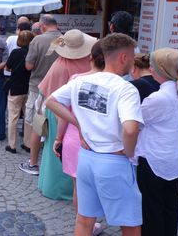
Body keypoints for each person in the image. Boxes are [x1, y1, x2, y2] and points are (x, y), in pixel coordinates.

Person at [46, 33, 143, 235]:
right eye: (133, 56)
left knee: (84, 220)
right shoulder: (126, 89)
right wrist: (129, 151)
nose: (134, 60)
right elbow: (131, 128)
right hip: (113, 160)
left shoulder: (81, 81)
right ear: (124, 58)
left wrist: (78, 123)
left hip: (87, 158)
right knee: (130, 225)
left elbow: (51, 101)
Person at [136, 48, 178, 236]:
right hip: (172, 157)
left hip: (153, 159)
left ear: (162, 70)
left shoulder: (159, 98)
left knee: (151, 209)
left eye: (153, 65)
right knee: (169, 204)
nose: (149, 68)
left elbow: (136, 122)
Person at [36, 30, 96, 201]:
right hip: (69, 112)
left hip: (59, 109)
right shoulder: (82, 64)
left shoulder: (60, 63)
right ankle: (63, 188)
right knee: (65, 151)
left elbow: (46, 91)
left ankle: (51, 186)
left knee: (56, 150)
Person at [53, 41, 105, 235]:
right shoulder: (117, 83)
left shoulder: (76, 79)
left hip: (76, 138)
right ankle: (90, 223)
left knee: (79, 185)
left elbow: (61, 109)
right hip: (102, 141)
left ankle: (83, 225)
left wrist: (59, 138)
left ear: (90, 58)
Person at [20, 14, 62, 173]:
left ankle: (33, 163)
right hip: (60, 90)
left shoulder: (37, 40)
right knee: (55, 127)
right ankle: (51, 163)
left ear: (43, 26)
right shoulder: (65, 39)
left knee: (37, 126)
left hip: (39, 89)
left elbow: (29, 66)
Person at [5, 30, 34, 153]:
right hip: (29, 87)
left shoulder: (15, 52)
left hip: (15, 87)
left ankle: (12, 145)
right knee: (28, 116)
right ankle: (28, 143)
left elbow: (7, 67)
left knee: (13, 117)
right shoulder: (33, 53)